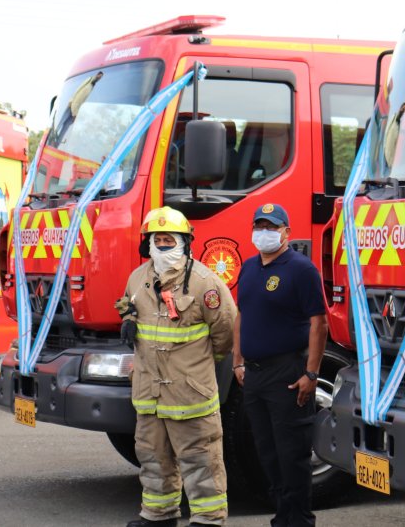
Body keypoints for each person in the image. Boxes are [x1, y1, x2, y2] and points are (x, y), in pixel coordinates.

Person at [117, 206, 237, 527]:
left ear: (185, 242)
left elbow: (226, 331)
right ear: (148, 244)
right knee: (153, 459)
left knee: (201, 461)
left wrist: (200, 366)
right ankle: (158, 516)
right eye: (158, 240)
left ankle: (208, 520)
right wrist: (127, 317)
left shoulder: (204, 283)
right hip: (149, 395)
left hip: (190, 394)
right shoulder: (138, 278)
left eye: (170, 240)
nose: (163, 246)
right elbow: (126, 302)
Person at [232, 203, 327, 527]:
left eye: (272, 227)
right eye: (260, 226)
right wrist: (237, 361)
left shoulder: (301, 269)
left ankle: (299, 521)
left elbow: (319, 323)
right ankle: (282, 518)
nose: (265, 233)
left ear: (287, 232)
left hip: (287, 373)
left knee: (292, 456)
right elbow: (241, 315)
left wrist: (311, 373)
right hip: (254, 375)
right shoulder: (247, 267)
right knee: (267, 454)